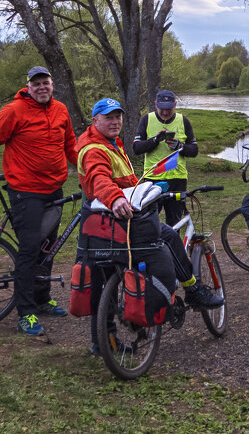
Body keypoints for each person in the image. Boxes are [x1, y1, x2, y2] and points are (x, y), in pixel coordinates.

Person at [76, 97, 224, 326]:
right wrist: (114, 199)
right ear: (95, 120)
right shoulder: (94, 149)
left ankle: (101, 343)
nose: (115, 122)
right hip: (117, 218)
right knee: (170, 237)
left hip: (104, 223)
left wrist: (148, 190)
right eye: (108, 118)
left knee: (101, 280)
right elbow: (99, 178)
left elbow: (125, 180)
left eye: (118, 117)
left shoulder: (109, 142)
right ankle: (193, 290)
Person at [0, 66, 77, 336]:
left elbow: (71, 144)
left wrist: (88, 168)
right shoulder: (13, 110)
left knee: (48, 247)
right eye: (36, 84)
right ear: (28, 87)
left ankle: (41, 298)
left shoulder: (60, 110)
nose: (42, 88)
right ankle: (26, 313)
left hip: (53, 190)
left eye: (45, 82)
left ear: (52, 84)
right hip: (25, 191)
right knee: (29, 250)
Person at [131, 89, 199, 225]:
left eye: (169, 108)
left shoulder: (183, 120)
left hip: (177, 179)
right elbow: (136, 148)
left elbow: (194, 150)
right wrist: (155, 140)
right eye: (162, 108)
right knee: (148, 222)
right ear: (156, 104)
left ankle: (171, 246)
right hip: (153, 178)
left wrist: (180, 146)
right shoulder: (147, 119)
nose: (165, 112)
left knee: (174, 222)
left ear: (175, 104)